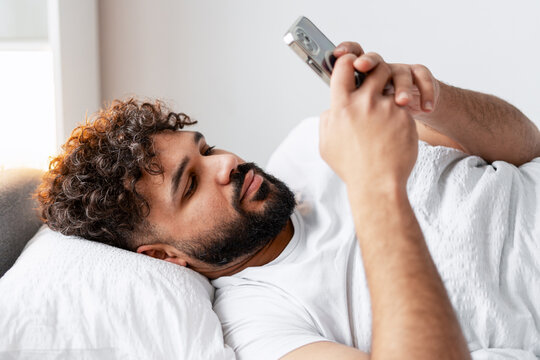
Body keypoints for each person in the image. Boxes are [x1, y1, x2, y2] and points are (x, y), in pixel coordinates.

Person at [36, 41, 540, 359]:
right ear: (167, 256)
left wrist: (435, 101)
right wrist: (373, 182)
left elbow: (525, 146)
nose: (225, 165)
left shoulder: (313, 140)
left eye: (206, 149)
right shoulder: (259, 328)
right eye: (190, 185)